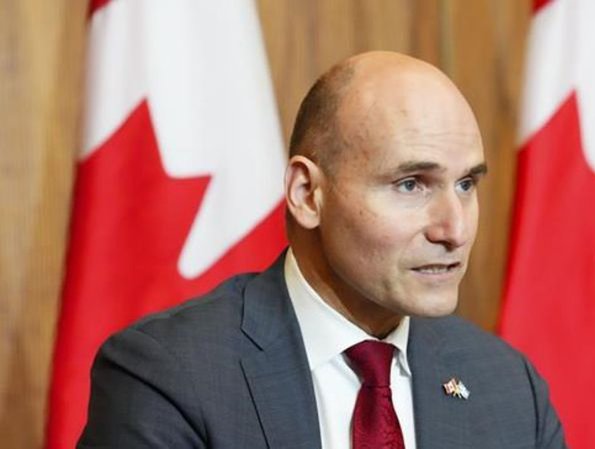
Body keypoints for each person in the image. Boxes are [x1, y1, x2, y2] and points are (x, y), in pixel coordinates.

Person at [79, 51, 567, 449]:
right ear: (307, 194)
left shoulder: (508, 387)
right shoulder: (169, 376)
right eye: (411, 184)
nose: (454, 229)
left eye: (466, 184)